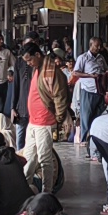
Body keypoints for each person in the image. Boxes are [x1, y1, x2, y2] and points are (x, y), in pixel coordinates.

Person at [21, 42, 69, 192]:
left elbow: (60, 96)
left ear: (37, 55)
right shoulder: (38, 69)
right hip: (33, 122)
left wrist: (59, 119)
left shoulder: (51, 71)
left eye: (29, 60)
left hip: (45, 121)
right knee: (28, 158)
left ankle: (46, 192)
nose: (28, 63)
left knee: (44, 159)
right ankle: (23, 189)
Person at [72, 37, 108, 160]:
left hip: (99, 91)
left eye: (100, 46)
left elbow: (106, 69)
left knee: (98, 118)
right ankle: (85, 142)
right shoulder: (83, 58)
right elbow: (75, 73)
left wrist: (106, 75)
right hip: (88, 90)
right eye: (97, 46)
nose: (99, 48)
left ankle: (96, 144)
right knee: (86, 117)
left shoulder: (101, 58)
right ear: (91, 45)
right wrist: (90, 76)